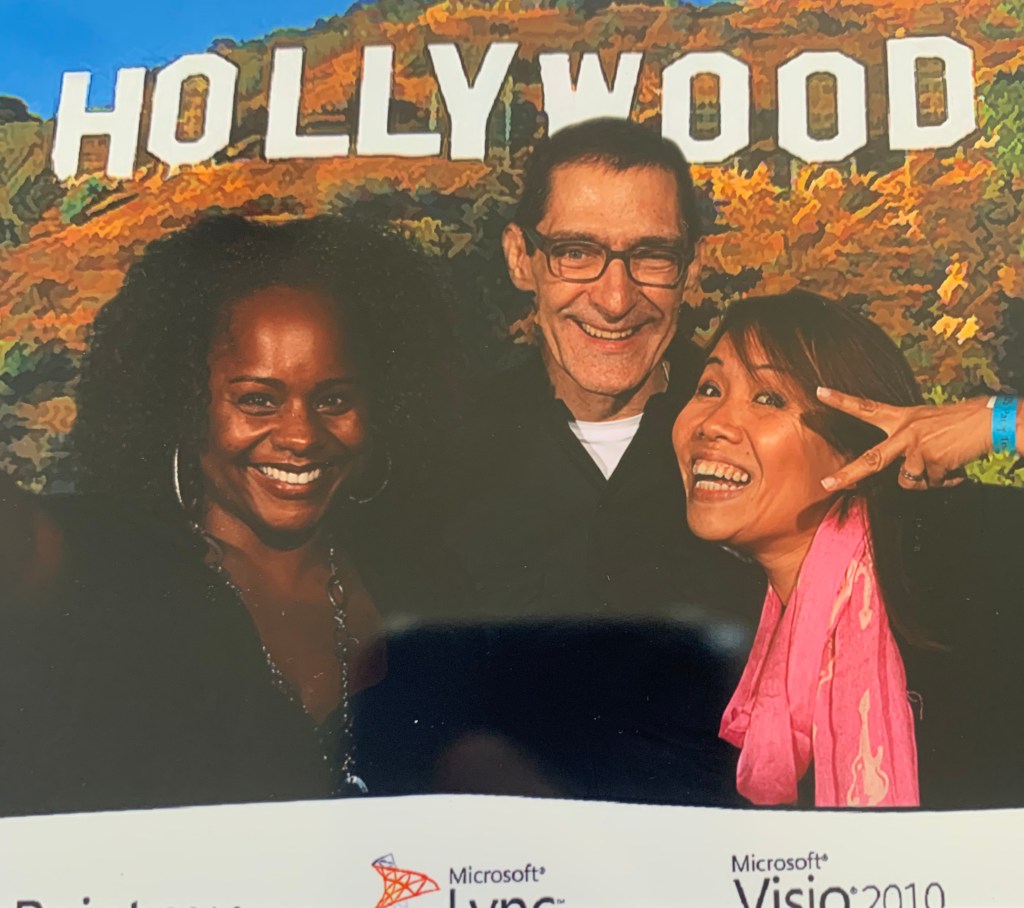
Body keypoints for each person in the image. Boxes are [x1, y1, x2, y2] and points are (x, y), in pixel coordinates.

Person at [352, 118, 765, 805]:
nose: (615, 298)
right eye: (577, 253)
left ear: (691, 268)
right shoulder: (433, 454)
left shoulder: (762, 441)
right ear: (521, 258)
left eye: (652, 256)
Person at [0, 214, 461, 816]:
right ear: (186, 403)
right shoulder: (108, 564)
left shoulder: (421, 581)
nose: (301, 436)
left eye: (334, 400)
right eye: (258, 400)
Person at [671, 290, 1024, 809]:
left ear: (857, 448)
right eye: (708, 388)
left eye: (768, 398)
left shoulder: (959, 552)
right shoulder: (722, 630)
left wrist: (1004, 422)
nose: (712, 424)